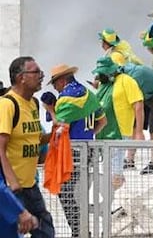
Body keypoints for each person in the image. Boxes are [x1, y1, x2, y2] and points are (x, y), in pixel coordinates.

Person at [44, 64, 106, 237]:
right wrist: (88, 135)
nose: (55, 88)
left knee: (65, 193)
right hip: (88, 150)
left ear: (62, 80)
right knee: (79, 193)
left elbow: (60, 126)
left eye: (55, 84)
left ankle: (79, 231)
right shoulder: (90, 94)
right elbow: (103, 122)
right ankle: (82, 230)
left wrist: (50, 110)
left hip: (71, 152)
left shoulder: (66, 98)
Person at [0, 56, 55, 237]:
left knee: (45, 228)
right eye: (36, 72)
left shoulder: (33, 103)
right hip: (12, 188)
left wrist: (55, 133)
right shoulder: (7, 105)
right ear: (21, 77)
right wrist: (12, 182)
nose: (41, 76)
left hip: (30, 185)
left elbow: (35, 139)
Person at [91, 57, 146, 182]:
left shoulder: (126, 81)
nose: (100, 76)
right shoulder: (104, 84)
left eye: (102, 73)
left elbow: (138, 105)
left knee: (114, 170)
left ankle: (111, 196)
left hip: (119, 132)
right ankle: (110, 196)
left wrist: (138, 132)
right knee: (108, 170)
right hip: (103, 132)